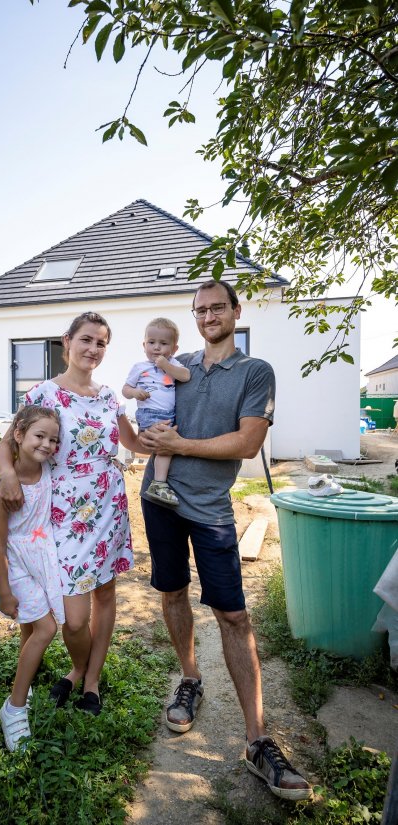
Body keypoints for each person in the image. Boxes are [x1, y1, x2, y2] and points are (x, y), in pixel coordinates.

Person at [139, 280, 312, 801]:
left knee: (233, 615)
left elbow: (248, 440)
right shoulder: (178, 361)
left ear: (236, 311)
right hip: (158, 498)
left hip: (210, 509)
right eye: (200, 309)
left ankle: (257, 741)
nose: (209, 315)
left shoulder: (255, 372)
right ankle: (190, 679)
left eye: (218, 307)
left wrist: (181, 443)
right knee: (171, 593)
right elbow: (139, 401)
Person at [0, 311, 140, 717]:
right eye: (87, 340)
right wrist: (8, 476)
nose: (94, 349)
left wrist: (171, 432)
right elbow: (8, 444)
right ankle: (78, 665)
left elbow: (132, 441)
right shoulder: (43, 394)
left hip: (109, 505)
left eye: (101, 343)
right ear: (67, 342)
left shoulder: (110, 396)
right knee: (74, 618)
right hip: (62, 513)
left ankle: (90, 679)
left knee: (106, 592)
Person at [0, 405, 64, 752]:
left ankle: (25, 682)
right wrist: (5, 593)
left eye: (53, 439)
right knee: (46, 628)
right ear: (18, 435)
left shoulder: (47, 469)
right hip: (16, 564)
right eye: (40, 436)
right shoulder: (5, 487)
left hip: (41, 559)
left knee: (30, 628)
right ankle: (14, 707)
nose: (48, 444)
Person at [122, 317, 190, 507]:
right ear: (144, 345)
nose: (157, 348)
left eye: (163, 343)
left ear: (174, 349)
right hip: (149, 413)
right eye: (151, 343)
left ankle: (159, 483)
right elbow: (126, 389)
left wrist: (166, 366)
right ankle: (159, 483)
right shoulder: (139, 367)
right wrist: (135, 392)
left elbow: (186, 376)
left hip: (169, 414)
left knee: (165, 447)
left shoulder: (174, 364)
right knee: (164, 447)